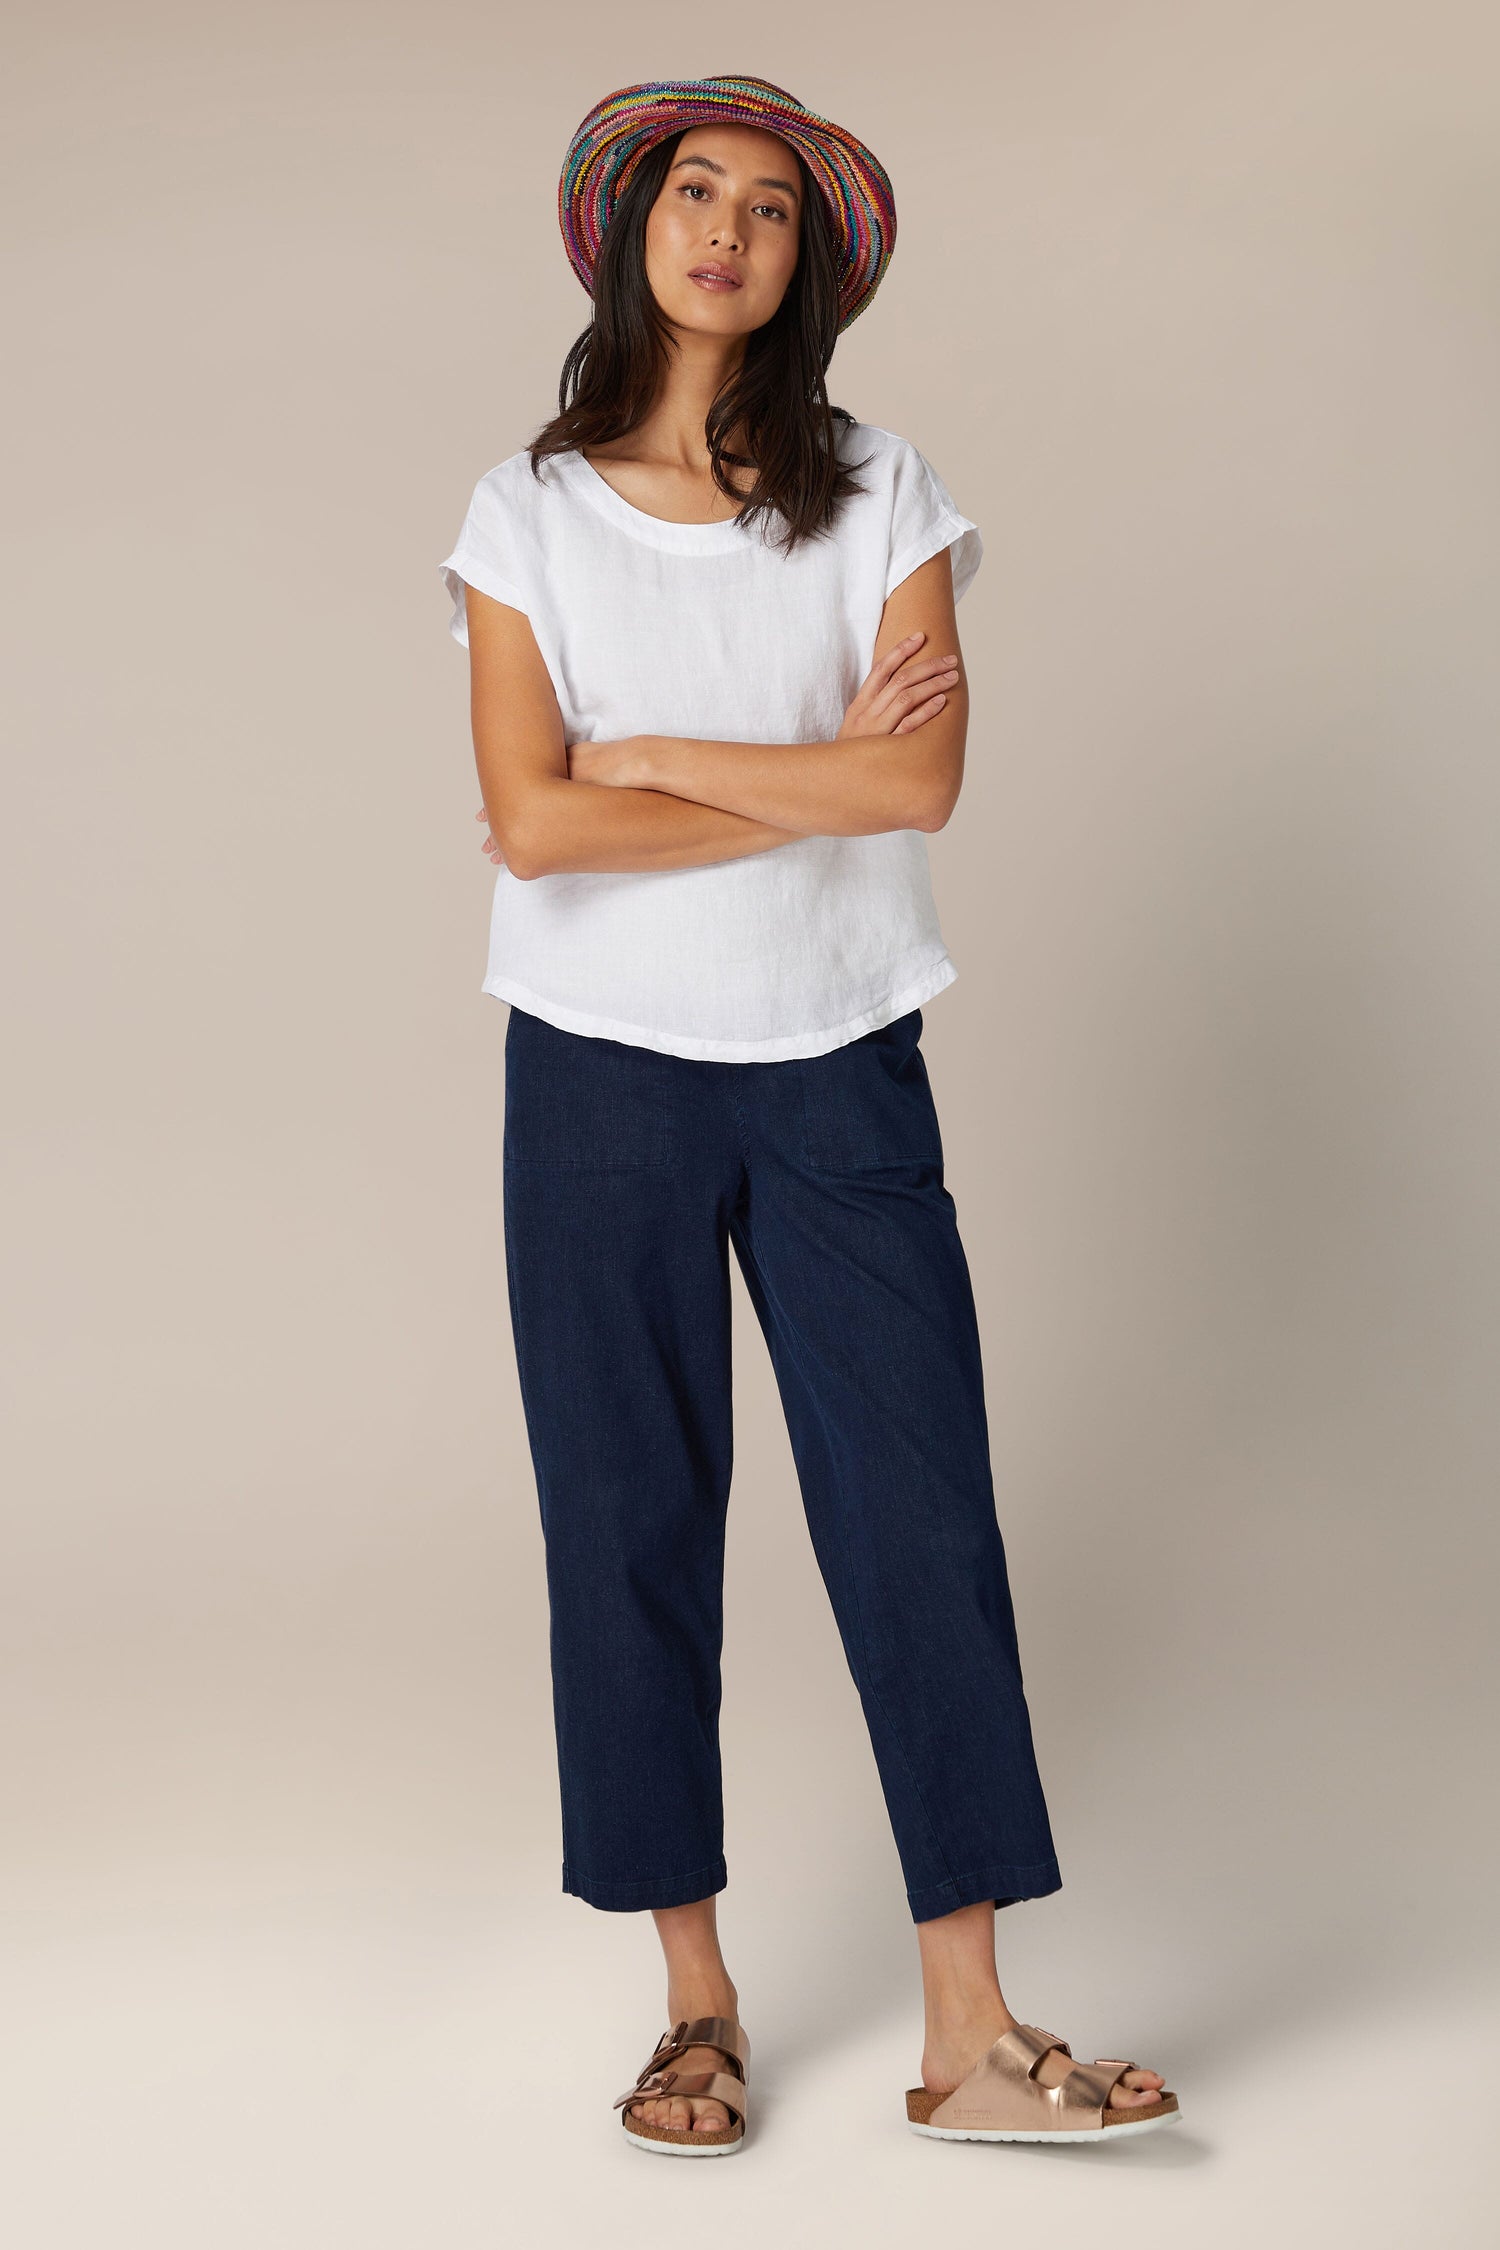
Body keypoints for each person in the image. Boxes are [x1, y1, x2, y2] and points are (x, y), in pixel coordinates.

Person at [438, 73, 1180, 2156]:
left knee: (921, 1517)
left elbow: (915, 791)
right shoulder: (528, 516)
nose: (729, 233)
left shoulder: (882, 494)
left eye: (772, 209)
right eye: (697, 193)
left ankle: (969, 2035)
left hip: (841, 1056)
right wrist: (787, 773)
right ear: (630, 231)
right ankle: (693, 2001)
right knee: (631, 1527)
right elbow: (526, 823)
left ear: (808, 267)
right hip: (596, 1075)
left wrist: (653, 756)